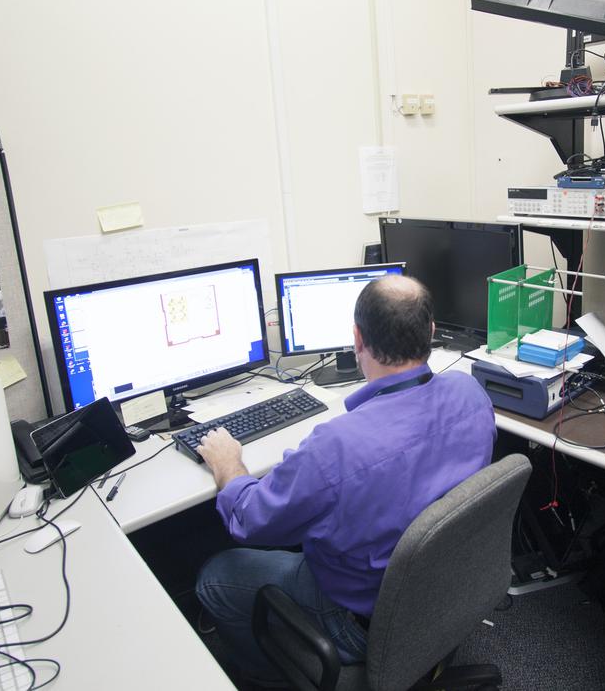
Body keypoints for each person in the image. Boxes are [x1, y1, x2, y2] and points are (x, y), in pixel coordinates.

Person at [194, 275, 496, 685]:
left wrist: (229, 465)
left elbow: (249, 522)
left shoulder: (337, 446)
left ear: (357, 338)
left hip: (358, 617)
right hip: (445, 591)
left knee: (214, 575)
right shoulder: (471, 394)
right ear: (430, 331)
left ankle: (274, 678)